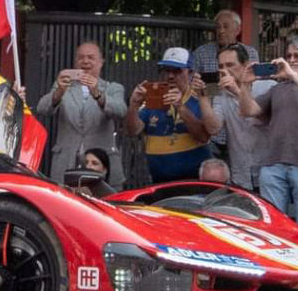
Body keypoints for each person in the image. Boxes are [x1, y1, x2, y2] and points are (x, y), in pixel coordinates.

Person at [235, 34, 298, 244]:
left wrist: (292, 75)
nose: (291, 59)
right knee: (272, 230)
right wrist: (245, 85)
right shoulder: (278, 89)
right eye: (289, 55)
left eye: (297, 55)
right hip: (273, 165)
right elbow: (248, 111)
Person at [37, 41, 126, 186]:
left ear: (101, 62)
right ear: (75, 62)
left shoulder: (113, 88)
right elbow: (42, 109)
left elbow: (121, 111)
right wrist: (59, 91)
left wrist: (98, 94)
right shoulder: (64, 85)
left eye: (91, 57)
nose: (85, 61)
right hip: (66, 163)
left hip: (101, 163)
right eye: (81, 57)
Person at [124, 47, 213, 183]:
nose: (170, 76)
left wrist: (180, 107)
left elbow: (203, 136)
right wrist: (133, 105)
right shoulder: (153, 99)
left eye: (177, 71)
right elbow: (132, 131)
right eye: (167, 70)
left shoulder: (199, 100)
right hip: (159, 183)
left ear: (190, 73)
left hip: (194, 183)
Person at [211, 44, 275, 191]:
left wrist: (237, 90)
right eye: (221, 66)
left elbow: (270, 121)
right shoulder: (221, 96)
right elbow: (214, 128)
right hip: (241, 175)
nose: (225, 71)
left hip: (269, 173)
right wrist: (203, 97)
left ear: (246, 65)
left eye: (230, 65)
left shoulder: (268, 87)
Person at [192, 9, 260, 75]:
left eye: (226, 27)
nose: (221, 31)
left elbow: (253, 82)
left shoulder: (250, 53)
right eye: (218, 27)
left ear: (237, 30)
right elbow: (191, 79)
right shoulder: (201, 53)